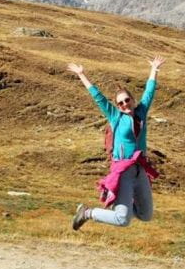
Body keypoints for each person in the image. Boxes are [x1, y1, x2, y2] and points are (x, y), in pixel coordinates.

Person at [67, 56, 166, 230]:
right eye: (120, 103)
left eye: (127, 100)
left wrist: (154, 70)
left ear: (133, 100)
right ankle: (88, 213)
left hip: (140, 170)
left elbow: (149, 91)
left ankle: (121, 207)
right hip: (123, 172)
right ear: (117, 106)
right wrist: (82, 74)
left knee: (146, 215)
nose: (124, 104)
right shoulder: (115, 117)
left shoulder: (141, 112)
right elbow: (98, 98)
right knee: (122, 220)